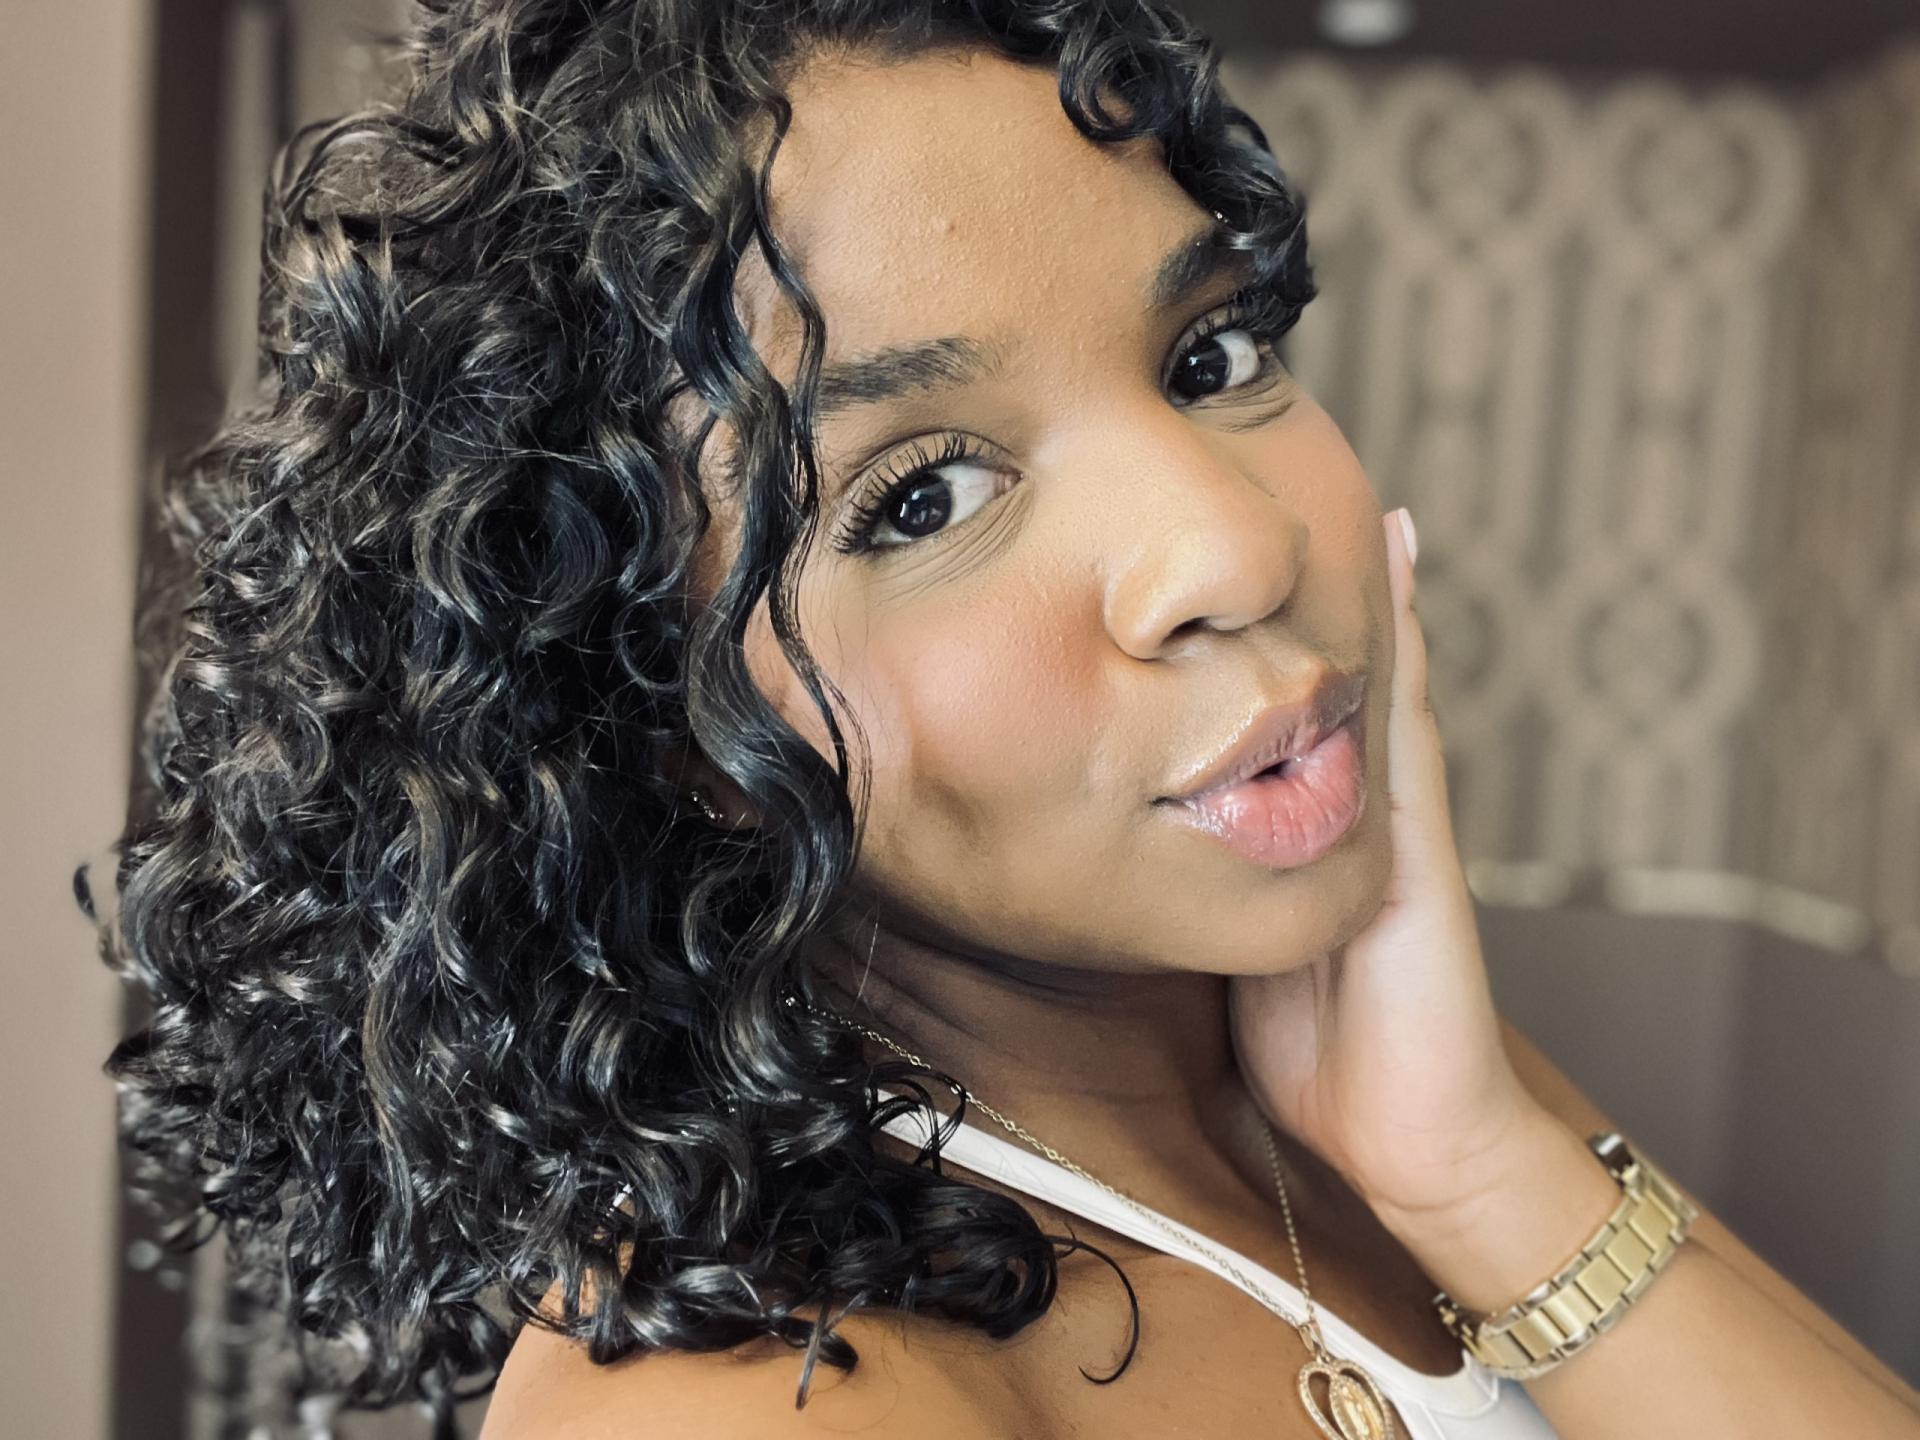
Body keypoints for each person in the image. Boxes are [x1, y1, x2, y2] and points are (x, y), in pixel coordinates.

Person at [85, 2, 1920, 1437]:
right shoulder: (769, 1398)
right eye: (922, 498)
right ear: (652, 723)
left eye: (1209, 356)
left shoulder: (1344, 1072)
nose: (1235, 545)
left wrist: (1485, 1168)